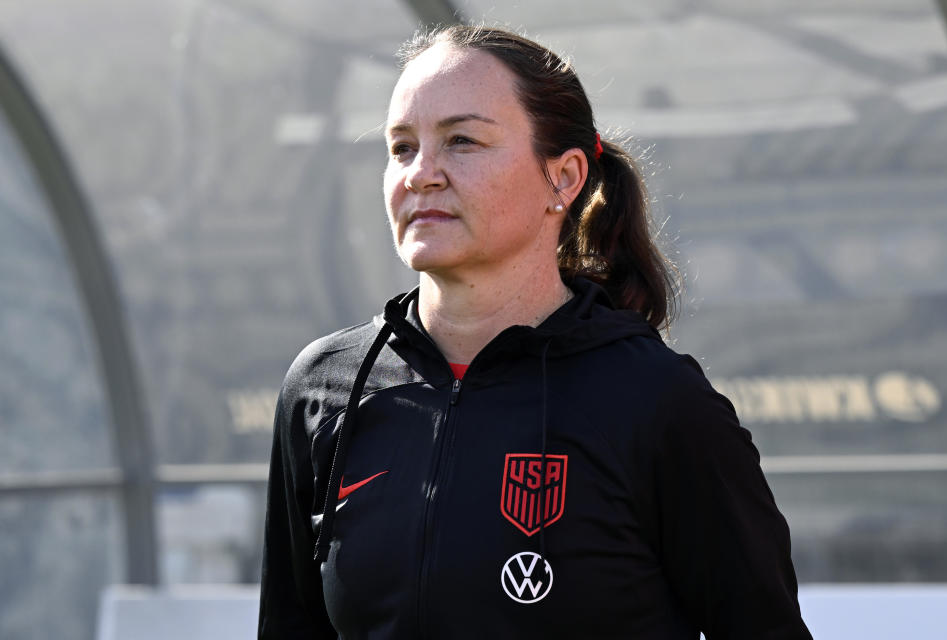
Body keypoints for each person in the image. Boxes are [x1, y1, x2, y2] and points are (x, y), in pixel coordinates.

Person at [258, 24, 812, 639]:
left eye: (462, 140)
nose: (421, 174)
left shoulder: (656, 400)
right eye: (401, 147)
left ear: (565, 178)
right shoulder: (324, 387)